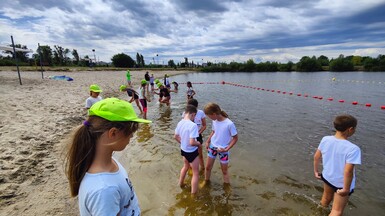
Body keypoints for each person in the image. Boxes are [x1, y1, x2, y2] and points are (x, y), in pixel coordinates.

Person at [65, 97, 151, 216]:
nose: (131, 136)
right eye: (130, 131)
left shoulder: (110, 162)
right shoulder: (104, 190)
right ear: (113, 133)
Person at [313, 114, 361, 216]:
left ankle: (318, 213)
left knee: (325, 199)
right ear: (350, 129)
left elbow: (316, 157)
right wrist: (346, 189)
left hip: (327, 177)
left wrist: (316, 171)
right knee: (337, 211)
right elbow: (348, 171)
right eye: (355, 128)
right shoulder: (353, 149)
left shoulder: (325, 139)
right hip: (341, 184)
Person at [203, 102, 238, 184]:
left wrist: (226, 149)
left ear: (214, 114)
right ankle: (206, 182)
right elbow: (214, 131)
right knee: (207, 168)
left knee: (224, 171)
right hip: (212, 147)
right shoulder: (215, 121)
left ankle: (227, 189)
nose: (209, 118)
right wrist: (208, 141)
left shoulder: (229, 124)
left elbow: (235, 138)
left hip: (224, 150)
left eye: (209, 116)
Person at [174, 105, 201, 194]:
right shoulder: (193, 125)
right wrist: (199, 144)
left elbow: (176, 136)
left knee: (185, 166)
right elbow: (192, 142)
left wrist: (183, 143)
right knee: (196, 173)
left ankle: (180, 183)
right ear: (193, 114)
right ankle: (193, 194)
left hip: (184, 150)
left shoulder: (180, 122)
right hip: (192, 151)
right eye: (195, 116)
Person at [187, 98, 206, 172]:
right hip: (189, 136)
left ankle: (202, 169)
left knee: (200, 155)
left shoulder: (201, 113)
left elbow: (204, 125)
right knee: (189, 155)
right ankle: (191, 169)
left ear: (196, 107)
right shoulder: (186, 113)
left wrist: (198, 132)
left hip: (198, 136)